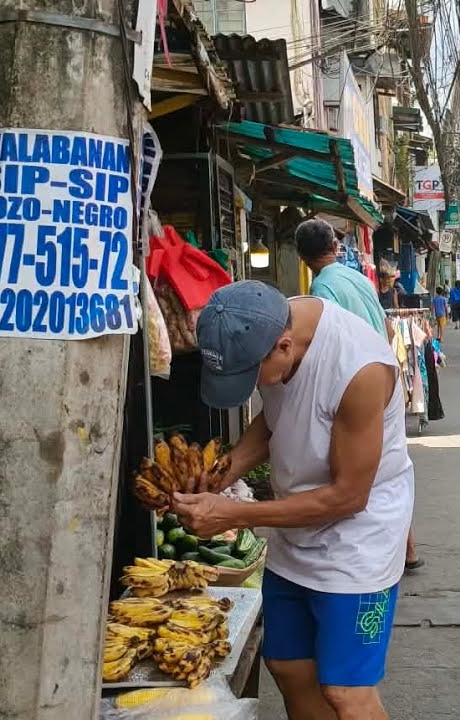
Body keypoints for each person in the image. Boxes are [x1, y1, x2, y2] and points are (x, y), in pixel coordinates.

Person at [172, 281, 413, 720]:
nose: (253, 387)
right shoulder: (265, 324)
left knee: (345, 692)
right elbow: (275, 418)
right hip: (295, 527)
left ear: (283, 346)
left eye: (251, 377)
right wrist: (222, 475)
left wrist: (236, 514)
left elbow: (348, 496)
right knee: (287, 666)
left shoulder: (358, 370)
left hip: (358, 543)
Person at [297, 219, 422, 571]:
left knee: (357, 472)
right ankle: (408, 549)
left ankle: (387, 552)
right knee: (387, 466)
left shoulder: (321, 288)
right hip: (384, 377)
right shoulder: (357, 279)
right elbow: (387, 328)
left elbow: (326, 344)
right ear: (335, 247)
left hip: (354, 384)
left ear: (302, 256)